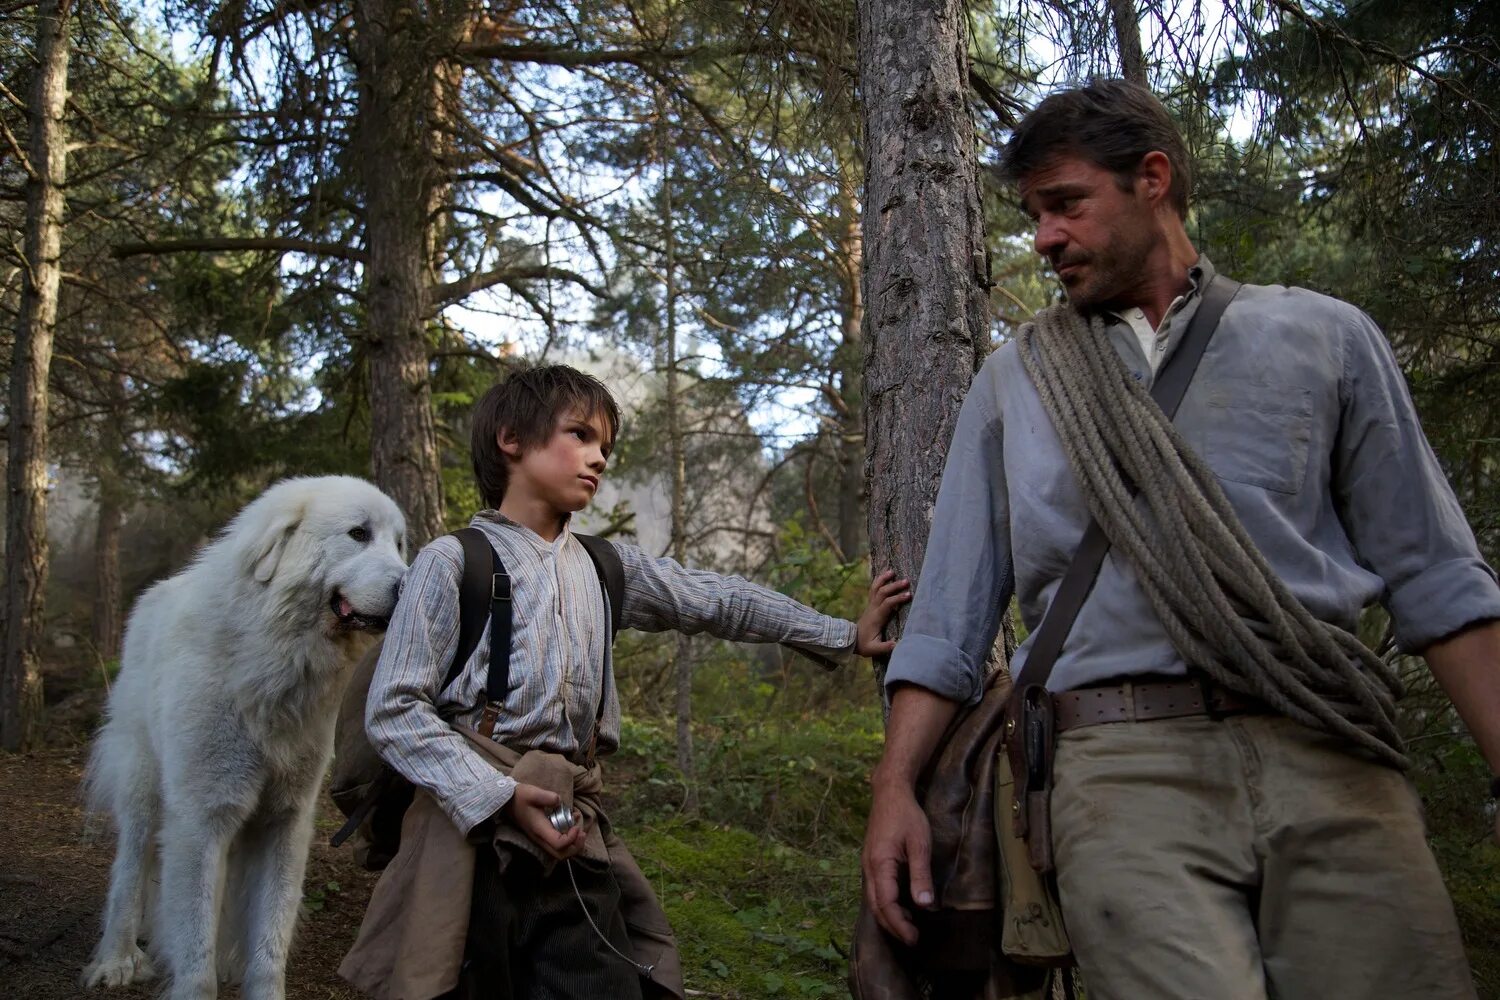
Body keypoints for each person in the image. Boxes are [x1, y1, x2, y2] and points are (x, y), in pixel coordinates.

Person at [861, 79, 1500, 1000]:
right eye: (1035, 213)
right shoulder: (1016, 382)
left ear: (1152, 179)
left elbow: (1439, 581)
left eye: (1066, 204)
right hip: (1118, 767)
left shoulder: (1322, 338)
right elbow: (951, 624)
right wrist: (895, 794)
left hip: (1330, 749)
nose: (1043, 238)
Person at [350, 364, 909, 1000]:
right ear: (511, 438)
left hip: (570, 825)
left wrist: (840, 633)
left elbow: (714, 599)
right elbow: (394, 709)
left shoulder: (605, 566)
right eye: (580, 435)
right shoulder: (450, 562)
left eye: (606, 447)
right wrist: (498, 796)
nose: (598, 458)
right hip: (468, 839)